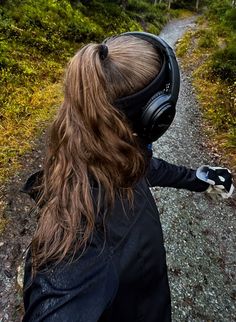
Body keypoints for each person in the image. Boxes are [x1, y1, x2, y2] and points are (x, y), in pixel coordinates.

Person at [21, 32, 234, 322]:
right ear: (154, 117)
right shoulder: (82, 251)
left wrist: (198, 179)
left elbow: (143, 168)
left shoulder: (95, 148)